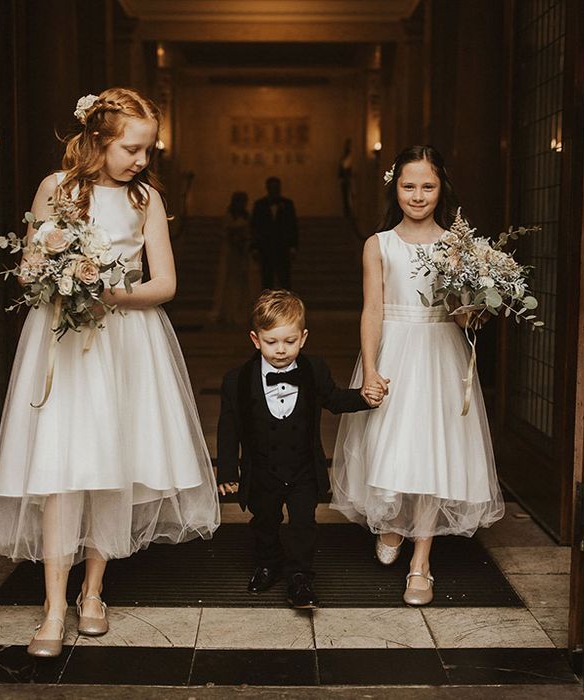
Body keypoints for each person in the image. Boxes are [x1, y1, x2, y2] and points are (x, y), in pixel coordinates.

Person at [0, 87, 220, 657]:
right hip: (64, 344)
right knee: (63, 466)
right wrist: (60, 278)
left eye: (148, 150)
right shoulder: (55, 189)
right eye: (132, 148)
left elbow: (164, 283)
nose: (142, 160)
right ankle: (53, 605)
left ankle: (93, 592)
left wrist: (109, 293)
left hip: (125, 342)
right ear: (98, 139)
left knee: (112, 462)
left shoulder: (146, 199)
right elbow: (27, 270)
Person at [330, 145, 504, 606]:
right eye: (409, 186)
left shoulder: (457, 247)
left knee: (434, 451)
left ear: (441, 187)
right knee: (391, 443)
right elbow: (372, 309)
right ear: (395, 187)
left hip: (439, 352)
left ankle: (421, 561)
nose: (418, 195)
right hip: (395, 350)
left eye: (428, 186)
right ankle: (391, 525)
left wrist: (478, 308)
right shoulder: (379, 244)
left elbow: (463, 318)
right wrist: (370, 367)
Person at [216, 290, 382, 609]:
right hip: (262, 470)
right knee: (264, 521)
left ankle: (300, 576)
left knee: (304, 524)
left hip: (303, 468)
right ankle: (267, 564)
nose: (281, 350)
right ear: (255, 339)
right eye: (272, 341)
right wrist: (227, 470)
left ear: (303, 338)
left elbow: (333, 400)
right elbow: (229, 427)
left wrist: (364, 397)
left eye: (289, 341)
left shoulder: (314, 370)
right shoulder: (237, 380)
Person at [209, 191, 253, 326]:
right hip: (230, 252)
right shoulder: (229, 216)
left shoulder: (247, 216)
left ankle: (241, 313)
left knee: (242, 283)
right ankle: (229, 313)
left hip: (242, 253)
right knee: (229, 282)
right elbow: (225, 232)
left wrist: (244, 241)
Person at [251, 177, 298, 289]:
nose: (275, 190)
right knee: (267, 281)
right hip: (266, 248)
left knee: (285, 281)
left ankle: (286, 306)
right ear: (267, 188)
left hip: (283, 248)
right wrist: (254, 247)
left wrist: (293, 246)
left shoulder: (288, 204)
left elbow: (293, 226)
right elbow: (254, 227)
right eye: (272, 188)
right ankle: (268, 306)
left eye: (277, 188)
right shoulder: (259, 204)